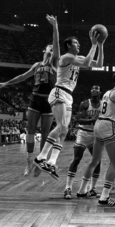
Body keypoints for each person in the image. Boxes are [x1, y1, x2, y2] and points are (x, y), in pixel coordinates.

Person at [33, 29, 106, 180]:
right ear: (68, 45)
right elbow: (86, 62)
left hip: (68, 95)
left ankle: (51, 162)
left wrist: (100, 45)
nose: (79, 44)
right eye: (76, 43)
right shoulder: (66, 57)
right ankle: (40, 157)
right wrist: (93, 44)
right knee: (60, 127)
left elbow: (99, 63)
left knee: (64, 130)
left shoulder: (77, 58)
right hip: (59, 91)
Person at [0, 15, 60, 177]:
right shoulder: (37, 65)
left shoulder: (54, 64)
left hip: (49, 100)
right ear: (44, 51)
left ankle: (40, 160)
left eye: (53, 48)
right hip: (35, 98)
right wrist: (6, 84)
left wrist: (55, 26)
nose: (51, 48)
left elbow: (56, 44)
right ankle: (29, 161)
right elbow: (22, 77)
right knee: (30, 130)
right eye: (49, 47)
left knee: (45, 133)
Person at [77, 71, 115, 206]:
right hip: (108, 126)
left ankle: (82, 190)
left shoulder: (108, 93)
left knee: (95, 160)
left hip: (99, 125)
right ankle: (104, 196)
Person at [64, 85, 102, 199]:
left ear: (100, 92)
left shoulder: (103, 105)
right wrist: (92, 120)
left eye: (96, 89)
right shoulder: (85, 104)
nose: (94, 90)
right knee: (76, 159)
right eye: (92, 88)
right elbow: (78, 119)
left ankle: (92, 189)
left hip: (95, 134)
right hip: (83, 133)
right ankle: (68, 188)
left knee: (97, 161)